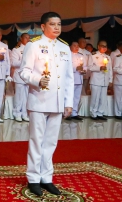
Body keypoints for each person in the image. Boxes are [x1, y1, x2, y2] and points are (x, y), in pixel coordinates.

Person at [19, 12, 74, 197]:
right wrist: (37, 80)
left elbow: (68, 78)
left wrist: (68, 102)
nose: (57, 27)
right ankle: (33, 178)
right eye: (52, 24)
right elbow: (23, 72)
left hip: (58, 102)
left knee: (51, 142)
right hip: (39, 99)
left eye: (59, 24)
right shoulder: (34, 45)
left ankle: (46, 178)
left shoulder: (64, 48)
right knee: (36, 140)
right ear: (43, 27)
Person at [88, 40, 112, 121]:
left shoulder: (108, 57)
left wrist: (110, 80)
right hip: (96, 80)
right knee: (95, 97)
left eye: (105, 46)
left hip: (105, 80)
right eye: (102, 46)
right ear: (98, 46)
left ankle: (100, 113)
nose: (104, 48)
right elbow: (90, 67)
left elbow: (110, 70)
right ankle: (93, 113)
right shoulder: (93, 55)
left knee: (103, 98)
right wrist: (99, 68)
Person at [11, 33, 30, 122]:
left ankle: (24, 113)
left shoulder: (31, 50)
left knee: (26, 97)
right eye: (25, 37)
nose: (27, 39)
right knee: (19, 96)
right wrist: (24, 62)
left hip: (28, 76)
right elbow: (14, 63)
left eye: (28, 38)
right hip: (19, 76)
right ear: (21, 38)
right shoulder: (16, 50)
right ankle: (17, 113)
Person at [68, 41, 86, 121]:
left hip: (79, 78)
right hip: (71, 79)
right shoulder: (68, 55)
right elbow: (66, 68)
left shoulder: (81, 55)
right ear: (70, 46)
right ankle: (67, 113)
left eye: (77, 46)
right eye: (74, 45)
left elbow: (85, 66)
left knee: (76, 97)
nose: (76, 47)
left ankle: (74, 113)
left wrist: (84, 70)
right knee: (69, 97)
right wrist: (75, 68)